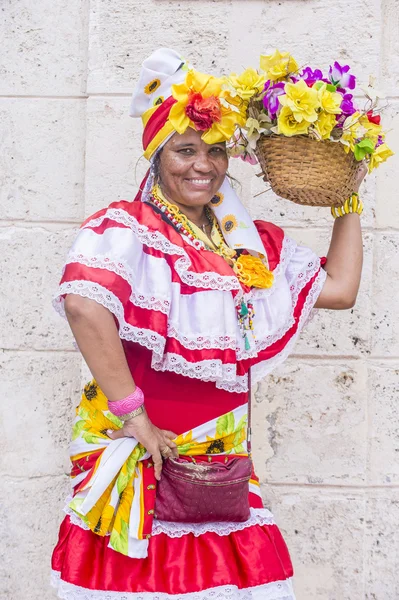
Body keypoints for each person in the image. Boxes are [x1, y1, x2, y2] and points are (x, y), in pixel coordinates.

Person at [51, 48, 365, 600]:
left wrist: (348, 199)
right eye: (185, 149)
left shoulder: (250, 243)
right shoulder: (127, 229)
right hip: (154, 457)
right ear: (155, 154)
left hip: (220, 470)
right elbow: (83, 305)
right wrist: (135, 418)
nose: (203, 164)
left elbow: (339, 289)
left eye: (216, 150)